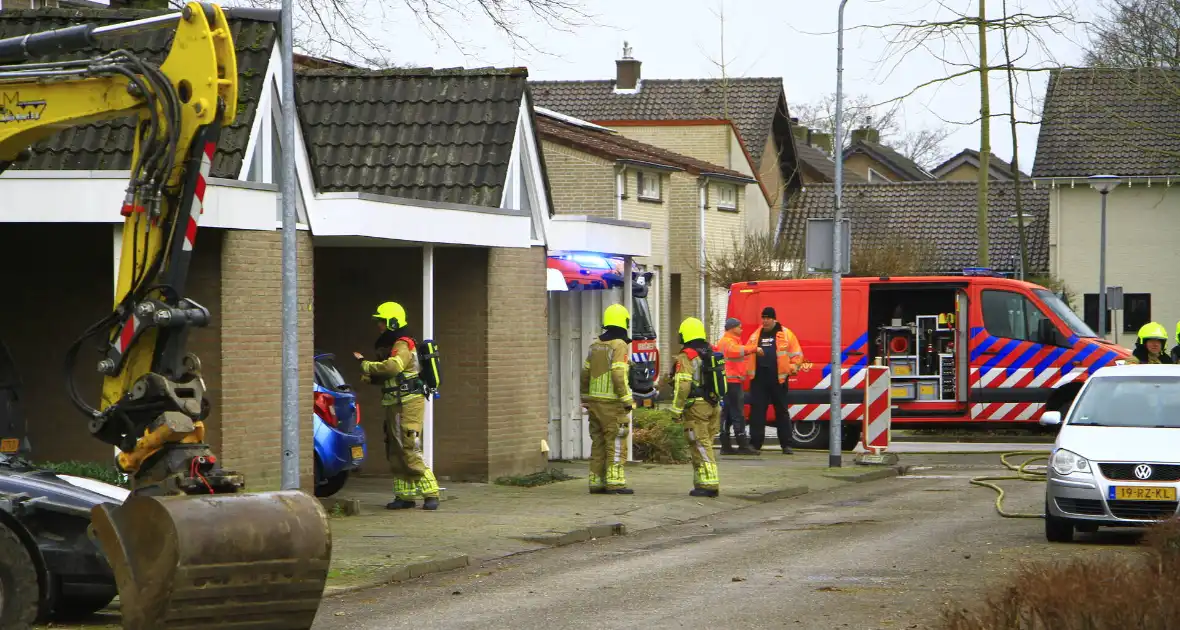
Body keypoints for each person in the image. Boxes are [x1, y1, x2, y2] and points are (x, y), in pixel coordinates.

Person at [354, 301, 441, 510]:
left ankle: (431, 494)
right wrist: (371, 377)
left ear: (392, 321)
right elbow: (389, 376)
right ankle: (405, 496)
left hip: (409, 401)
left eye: (382, 322)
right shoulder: (390, 344)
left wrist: (366, 364)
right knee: (394, 449)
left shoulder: (403, 343)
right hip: (393, 402)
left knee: (409, 445)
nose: (380, 326)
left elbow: (394, 367)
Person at [580, 303, 635, 495]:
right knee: (617, 441)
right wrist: (627, 399)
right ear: (623, 323)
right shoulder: (619, 346)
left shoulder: (595, 345)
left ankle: (596, 482)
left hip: (594, 404)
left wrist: (585, 398)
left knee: (598, 442)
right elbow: (619, 375)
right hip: (612, 405)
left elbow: (585, 373)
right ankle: (615, 483)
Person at [671, 317, 722, 497]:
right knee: (704, 443)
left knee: (700, 444)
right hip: (713, 405)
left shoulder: (688, 356)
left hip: (696, 407)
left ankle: (709, 484)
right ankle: (702, 482)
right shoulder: (711, 351)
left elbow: (683, 385)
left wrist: (676, 410)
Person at [744, 306, 804, 454]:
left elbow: (797, 355)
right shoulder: (755, 335)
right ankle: (755, 444)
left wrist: (790, 368)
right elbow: (747, 352)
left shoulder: (785, 334)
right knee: (757, 412)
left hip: (778, 380)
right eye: (763, 318)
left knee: (782, 412)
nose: (765, 321)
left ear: (774, 319)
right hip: (759, 379)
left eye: (768, 318)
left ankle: (786, 445)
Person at [714, 318, 759, 455]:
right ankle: (742, 444)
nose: (742, 329)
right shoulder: (728, 342)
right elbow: (736, 351)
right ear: (732, 328)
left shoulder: (727, 341)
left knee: (727, 414)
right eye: (740, 327)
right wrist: (754, 349)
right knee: (737, 414)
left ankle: (725, 444)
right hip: (732, 382)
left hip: (729, 381)